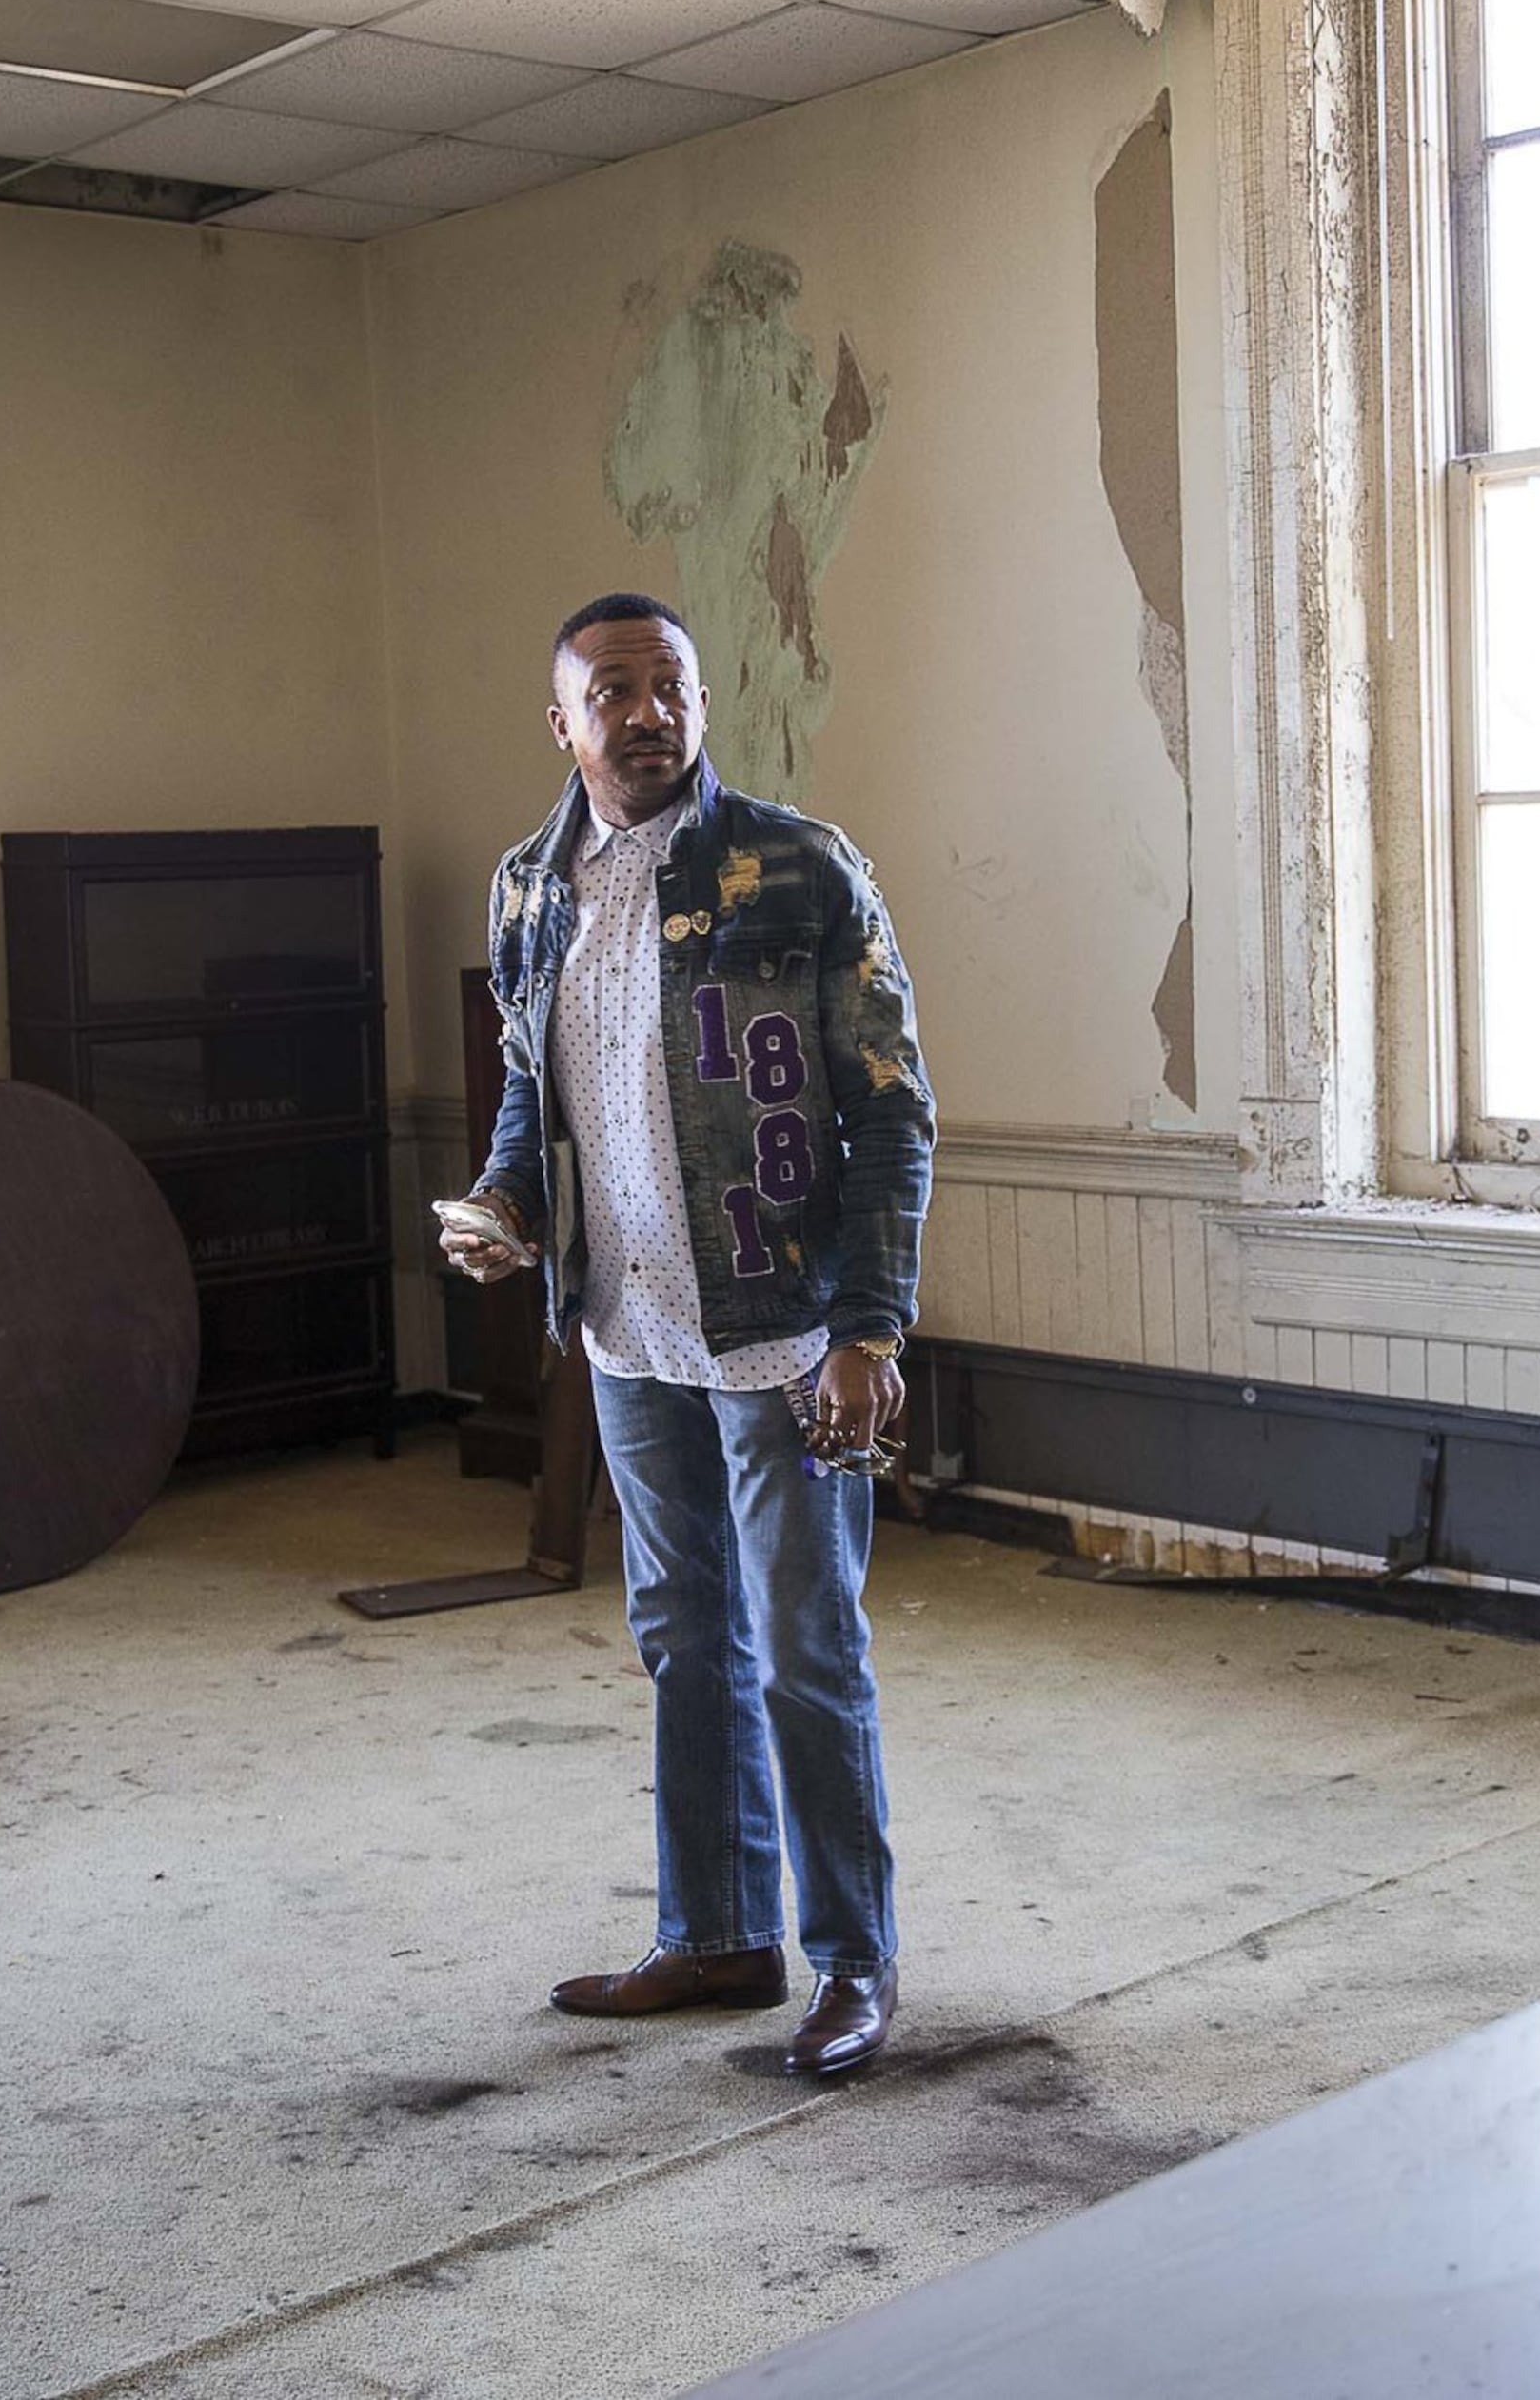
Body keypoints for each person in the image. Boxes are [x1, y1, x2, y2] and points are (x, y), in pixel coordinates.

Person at [441, 592, 935, 2077]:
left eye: (669, 688)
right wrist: (505, 1205)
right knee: (684, 1644)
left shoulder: (798, 866)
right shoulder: (529, 890)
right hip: (628, 1330)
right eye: (613, 694)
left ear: (702, 705)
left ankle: (854, 1965)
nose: (645, 714)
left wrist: (871, 1324)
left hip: (788, 1336)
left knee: (804, 1648)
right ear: (564, 722)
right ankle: (719, 1936)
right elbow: (539, 1097)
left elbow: (893, 1114)